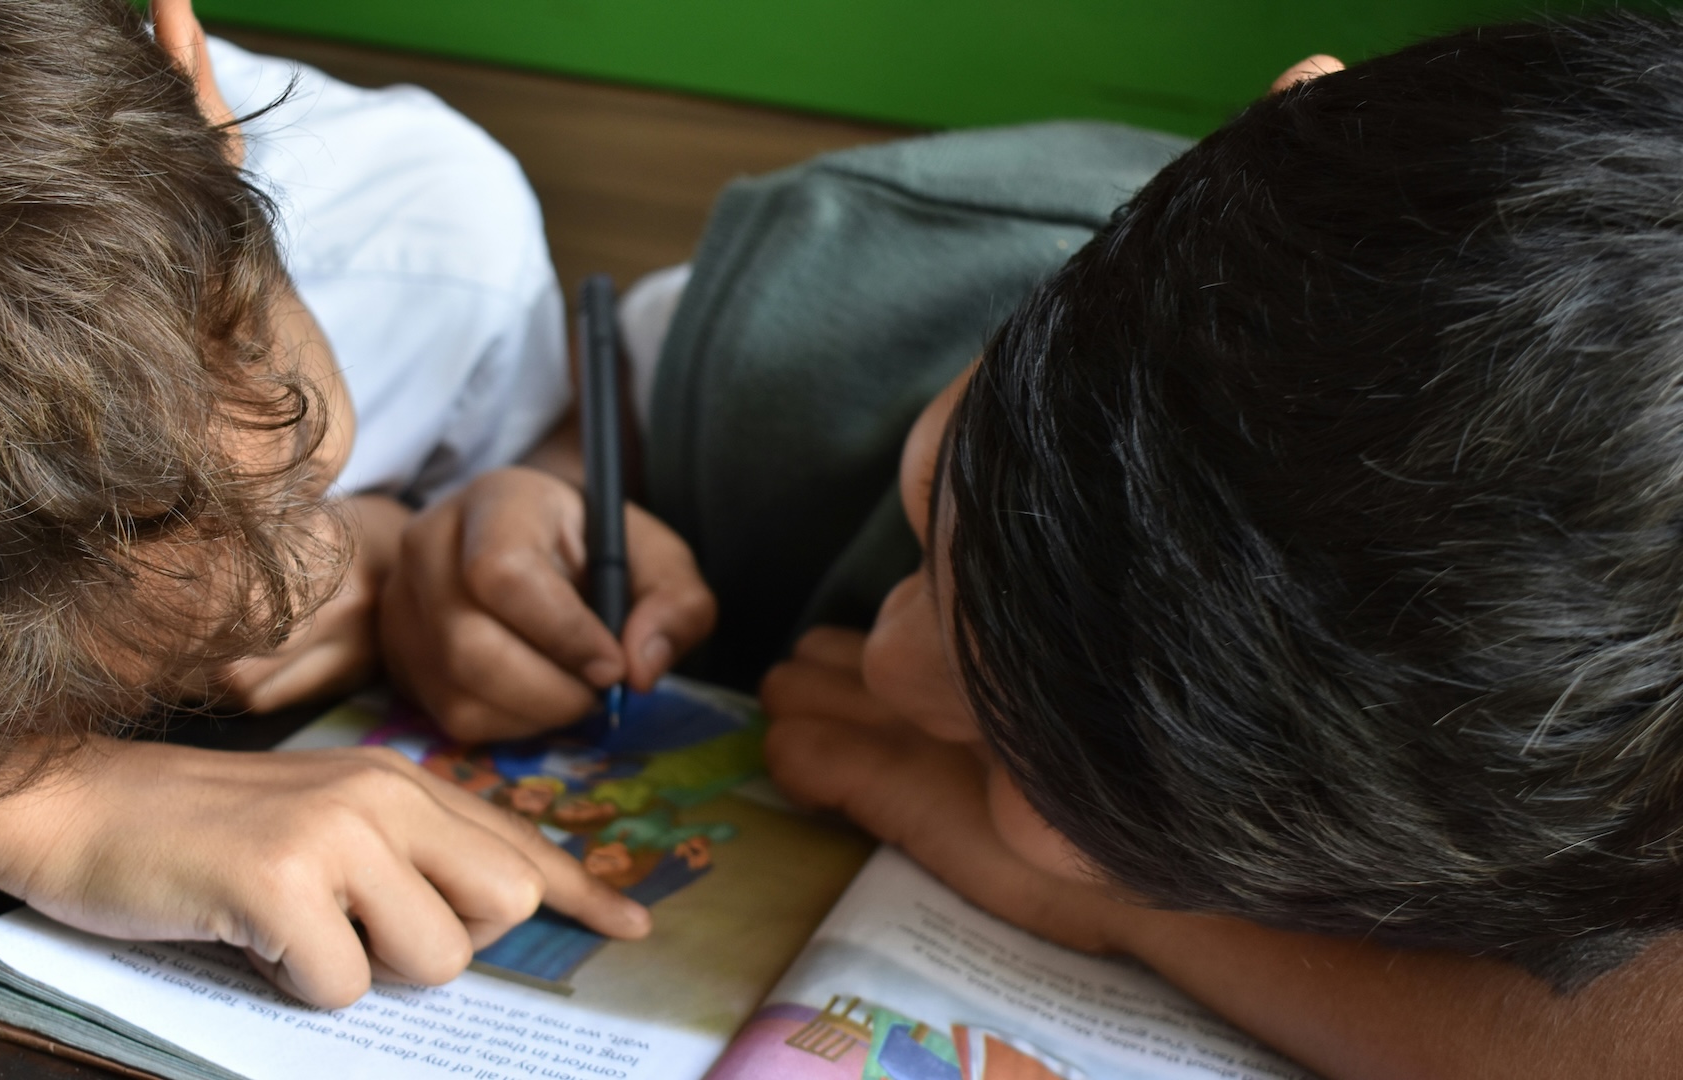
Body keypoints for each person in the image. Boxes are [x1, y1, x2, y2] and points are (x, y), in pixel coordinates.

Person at [719, 16, 1683, 1079]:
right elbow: (601, 400)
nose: (886, 667)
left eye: (1026, 775)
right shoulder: (849, 276)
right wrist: (554, 486)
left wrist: (1139, 919)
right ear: (1291, 109)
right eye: (938, 479)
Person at [0, 0, 724, 1011]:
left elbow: (540, 459)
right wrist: (49, 812)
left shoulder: (436, 259)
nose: (293, 593)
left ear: (194, 92)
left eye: (303, 475)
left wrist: (477, 516)